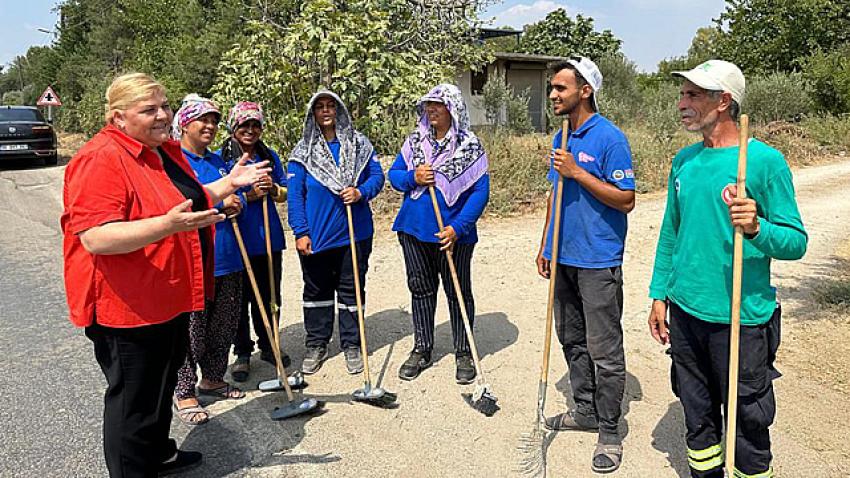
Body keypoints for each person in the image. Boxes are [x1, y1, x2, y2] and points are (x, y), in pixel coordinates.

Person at [61, 73, 268, 477]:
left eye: (164, 106)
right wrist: (166, 227)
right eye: (149, 110)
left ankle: (158, 455)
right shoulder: (100, 158)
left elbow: (190, 200)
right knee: (133, 402)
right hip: (126, 307)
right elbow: (97, 238)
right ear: (118, 117)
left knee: (160, 385)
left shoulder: (162, 151)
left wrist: (229, 183)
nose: (162, 115)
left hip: (169, 297)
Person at [647, 60, 807, 478]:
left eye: (693, 95)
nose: (682, 103)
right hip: (685, 312)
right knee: (698, 417)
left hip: (741, 318)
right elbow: (671, 233)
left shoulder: (764, 162)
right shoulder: (684, 161)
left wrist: (756, 228)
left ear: (724, 101)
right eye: (682, 94)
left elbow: (796, 241)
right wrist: (659, 294)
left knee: (747, 425)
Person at [535, 57, 636, 474]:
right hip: (565, 258)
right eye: (552, 89)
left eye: (560, 88)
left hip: (598, 260)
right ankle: (585, 409)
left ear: (585, 91)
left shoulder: (610, 138)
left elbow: (626, 199)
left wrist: (578, 172)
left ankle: (609, 431)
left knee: (604, 350)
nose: (553, 95)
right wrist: (545, 245)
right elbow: (553, 196)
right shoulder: (562, 137)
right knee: (572, 340)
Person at [389, 83, 489, 384]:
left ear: (453, 109)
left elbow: (480, 192)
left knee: (458, 292)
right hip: (414, 230)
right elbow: (394, 175)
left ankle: (463, 351)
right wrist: (413, 176)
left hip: (453, 234)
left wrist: (457, 228)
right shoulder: (416, 142)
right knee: (420, 289)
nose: (431, 110)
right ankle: (422, 348)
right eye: (428, 105)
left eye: (438, 105)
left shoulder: (469, 146)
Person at [288, 90, 385, 374]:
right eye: (320, 107)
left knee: (351, 289)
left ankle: (352, 344)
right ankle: (317, 343)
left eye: (331, 106)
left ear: (340, 110)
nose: (326, 111)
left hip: (355, 233)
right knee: (316, 290)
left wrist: (360, 192)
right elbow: (295, 196)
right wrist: (300, 231)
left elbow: (377, 178)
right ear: (312, 114)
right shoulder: (302, 152)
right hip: (317, 235)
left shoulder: (359, 145)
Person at [171, 95, 247, 426]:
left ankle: (213, 378)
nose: (211, 126)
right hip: (194, 262)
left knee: (224, 325)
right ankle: (184, 390)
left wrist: (237, 200)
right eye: (203, 120)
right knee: (191, 330)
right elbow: (177, 205)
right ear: (185, 123)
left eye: (215, 121)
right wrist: (218, 205)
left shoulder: (219, 162)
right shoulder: (173, 164)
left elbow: (237, 191)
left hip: (228, 257)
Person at [219, 101, 289, 382]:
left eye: (255, 125)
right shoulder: (221, 159)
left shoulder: (269, 156)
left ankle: (270, 346)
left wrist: (271, 189)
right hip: (237, 239)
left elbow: (285, 191)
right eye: (244, 125)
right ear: (234, 127)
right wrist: (248, 197)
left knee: (271, 295)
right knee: (239, 300)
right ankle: (243, 352)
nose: (250, 130)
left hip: (268, 238)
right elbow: (219, 200)